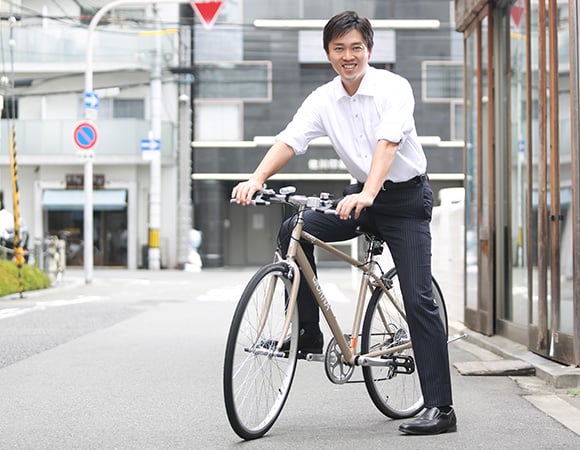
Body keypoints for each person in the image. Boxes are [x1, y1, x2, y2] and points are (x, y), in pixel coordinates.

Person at [231, 10, 456, 435]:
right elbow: (290, 140)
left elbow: (388, 144)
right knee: (294, 229)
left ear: (368, 49)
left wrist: (370, 192)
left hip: (405, 200)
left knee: (418, 298)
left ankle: (441, 408)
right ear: (328, 53)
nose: (348, 56)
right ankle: (308, 333)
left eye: (356, 47)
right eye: (339, 49)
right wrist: (256, 178)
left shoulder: (393, 88)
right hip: (361, 198)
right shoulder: (323, 99)